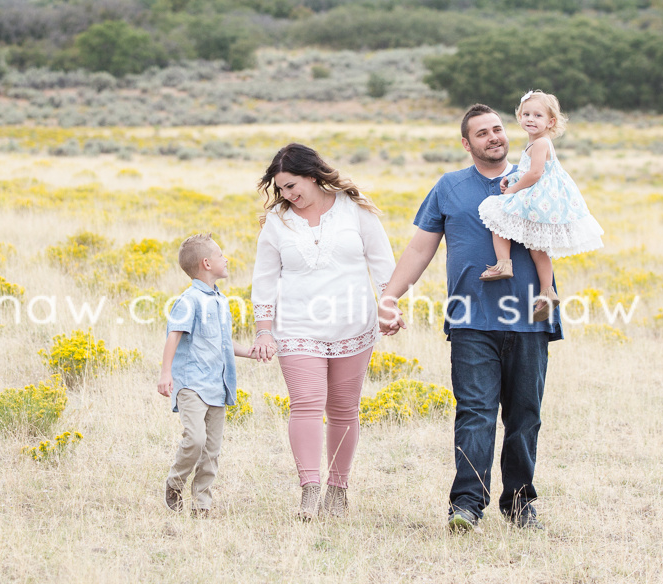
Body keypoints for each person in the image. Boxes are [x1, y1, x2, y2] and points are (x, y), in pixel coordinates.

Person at [378, 104, 562, 533]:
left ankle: (519, 505)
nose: (494, 136)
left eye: (498, 128)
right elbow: (419, 249)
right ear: (467, 143)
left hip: (530, 316)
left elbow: (559, 233)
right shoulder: (449, 187)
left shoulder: (533, 176)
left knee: (524, 416)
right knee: (475, 412)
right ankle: (466, 506)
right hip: (471, 320)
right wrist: (389, 296)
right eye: (482, 133)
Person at [250, 143, 395, 520]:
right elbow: (264, 279)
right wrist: (264, 330)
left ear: (313, 176)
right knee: (306, 405)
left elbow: (382, 261)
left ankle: (338, 490)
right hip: (297, 326)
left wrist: (388, 306)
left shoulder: (354, 208)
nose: (288, 195)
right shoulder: (277, 223)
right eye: (281, 189)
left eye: (292, 185)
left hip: (353, 322)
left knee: (344, 409)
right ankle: (309, 490)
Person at [477, 90, 603, 321]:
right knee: (539, 248)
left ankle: (503, 264)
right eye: (526, 114)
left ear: (550, 122)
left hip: (538, 197)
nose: (531, 119)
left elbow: (535, 173)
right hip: (542, 201)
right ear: (519, 116)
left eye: (538, 115)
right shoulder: (535, 143)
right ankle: (547, 291)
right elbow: (527, 171)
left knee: (497, 213)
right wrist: (512, 178)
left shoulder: (541, 143)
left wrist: (512, 190)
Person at [157, 233, 257, 516]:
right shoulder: (189, 300)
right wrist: (166, 374)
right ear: (206, 263)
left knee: (212, 450)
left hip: (218, 385)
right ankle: (175, 482)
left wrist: (250, 352)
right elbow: (173, 334)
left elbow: (225, 343)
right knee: (196, 439)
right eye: (221, 254)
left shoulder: (221, 301)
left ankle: (201, 504)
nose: (226, 259)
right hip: (192, 384)